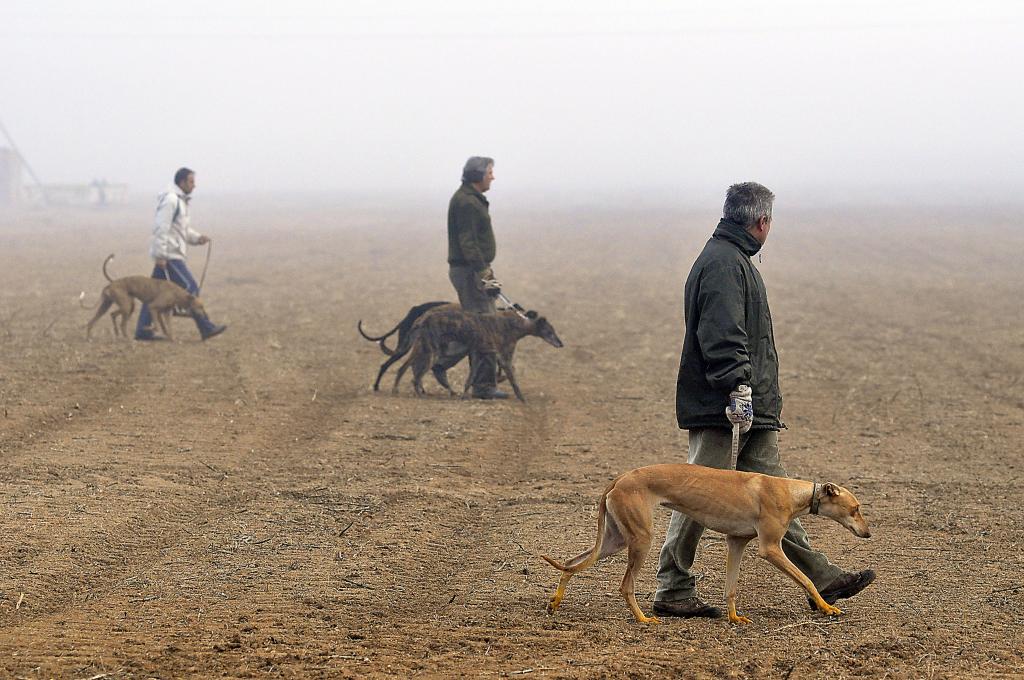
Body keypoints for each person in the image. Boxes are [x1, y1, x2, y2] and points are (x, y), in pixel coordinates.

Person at [653, 182, 875, 618]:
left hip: (755, 405)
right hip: (726, 403)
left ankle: (822, 579)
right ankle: (673, 587)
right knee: (695, 495)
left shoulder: (734, 260)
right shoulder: (722, 264)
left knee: (780, 499)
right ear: (762, 221)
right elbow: (722, 333)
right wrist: (737, 387)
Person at [135, 167, 227, 341]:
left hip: (172, 251)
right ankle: (205, 327)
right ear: (182, 182)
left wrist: (197, 238)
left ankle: (143, 330)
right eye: (191, 182)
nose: (194, 185)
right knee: (190, 289)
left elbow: (181, 229)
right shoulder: (171, 200)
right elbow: (161, 228)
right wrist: (161, 254)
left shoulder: (180, 201)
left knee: (152, 295)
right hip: (169, 254)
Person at [446, 156, 506, 399]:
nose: (493, 176)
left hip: (472, 270)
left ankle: (481, 380)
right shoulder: (467, 203)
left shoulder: (469, 199)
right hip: (470, 272)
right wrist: (484, 274)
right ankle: (483, 386)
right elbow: (468, 243)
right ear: (478, 175)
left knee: (483, 324)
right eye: (490, 172)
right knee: (484, 328)